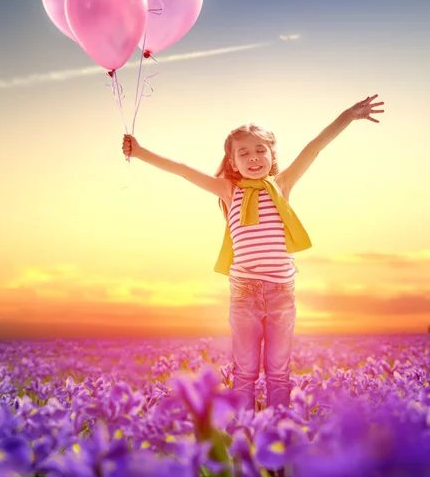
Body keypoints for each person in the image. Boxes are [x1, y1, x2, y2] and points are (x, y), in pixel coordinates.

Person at [122, 94, 384, 412]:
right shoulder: (228, 191)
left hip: (281, 294)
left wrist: (348, 115)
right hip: (244, 293)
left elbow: (314, 147)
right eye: (244, 153)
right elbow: (183, 171)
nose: (254, 157)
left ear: (272, 155)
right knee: (244, 372)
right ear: (233, 162)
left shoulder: (283, 184)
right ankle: (244, 433)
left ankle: (277, 434)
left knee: (278, 372)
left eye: (261, 149)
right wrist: (139, 152)